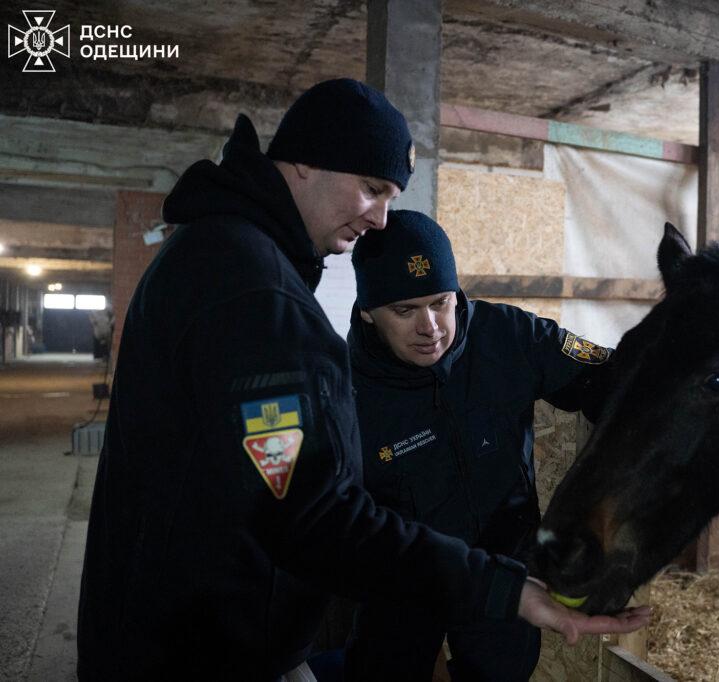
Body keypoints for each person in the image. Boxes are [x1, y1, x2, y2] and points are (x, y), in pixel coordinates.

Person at [77, 79, 649, 681]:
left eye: (442, 303)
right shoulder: (255, 295)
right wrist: (505, 589)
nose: (379, 218)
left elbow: (608, 381)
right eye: (372, 189)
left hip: (211, 628)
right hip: (205, 647)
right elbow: (314, 515)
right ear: (304, 162)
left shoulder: (229, 258)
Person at [345, 210, 614, 680]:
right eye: (405, 311)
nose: (430, 327)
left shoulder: (510, 337)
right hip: (404, 576)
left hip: (503, 573)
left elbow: (611, 383)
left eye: (441, 302)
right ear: (369, 313)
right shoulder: (343, 388)